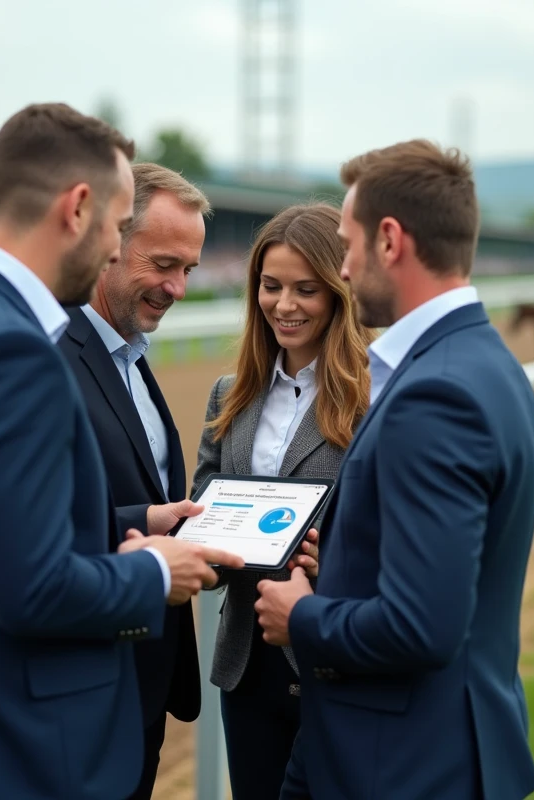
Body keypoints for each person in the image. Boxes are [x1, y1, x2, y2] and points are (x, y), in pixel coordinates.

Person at [0, 103, 243, 800]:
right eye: (118, 226)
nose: (111, 249)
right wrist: (155, 572)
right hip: (27, 749)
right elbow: (32, 591)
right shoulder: (14, 350)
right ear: (78, 208)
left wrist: (121, 523)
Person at [255, 141, 534, 800]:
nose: (345, 267)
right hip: (412, 745)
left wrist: (302, 614)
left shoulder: (434, 395)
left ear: (390, 240)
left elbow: (423, 626)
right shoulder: (487, 363)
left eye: (348, 243)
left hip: (398, 762)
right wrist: (351, 562)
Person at [192, 203, 373, 799]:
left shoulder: (375, 401)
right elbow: (204, 503)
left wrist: (337, 566)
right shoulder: (230, 394)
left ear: (339, 293)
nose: (285, 305)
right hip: (246, 668)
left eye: (306, 289)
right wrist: (200, 543)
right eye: (271, 287)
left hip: (334, 657)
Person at [56, 162, 211, 800]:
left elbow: (146, 501)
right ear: (113, 241)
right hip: (79, 695)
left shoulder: (131, 355)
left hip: (139, 692)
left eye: (189, 271)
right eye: (163, 264)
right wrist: (141, 525)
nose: (177, 287)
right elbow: (44, 523)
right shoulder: (45, 356)